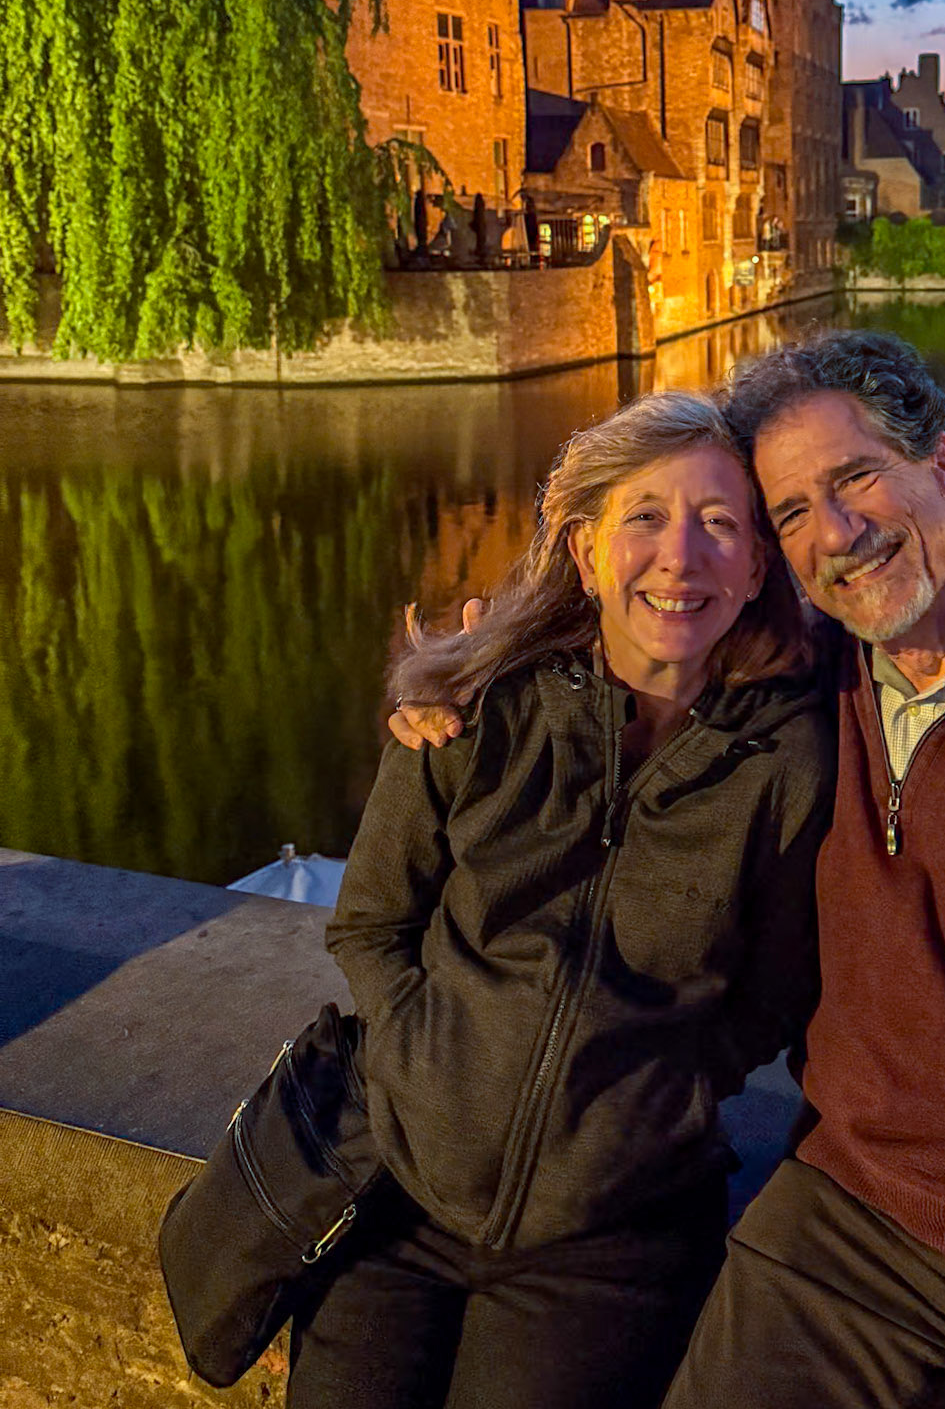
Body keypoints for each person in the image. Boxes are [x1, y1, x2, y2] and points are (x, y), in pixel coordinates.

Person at [395, 330, 945, 1409]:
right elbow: (636, 616)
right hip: (853, 1205)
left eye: (857, 476)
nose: (836, 534)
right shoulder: (807, 668)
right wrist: (462, 677)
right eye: (787, 512)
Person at [296, 390, 833, 1409]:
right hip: (398, 1198)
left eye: (721, 523)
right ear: (585, 553)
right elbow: (371, 920)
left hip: (613, 1231)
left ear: (758, 566)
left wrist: (657, 1094)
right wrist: (426, 1050)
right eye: (645, 516)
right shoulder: (476, 705)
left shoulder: (785, 758)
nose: (680, 555)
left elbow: (773, 990)